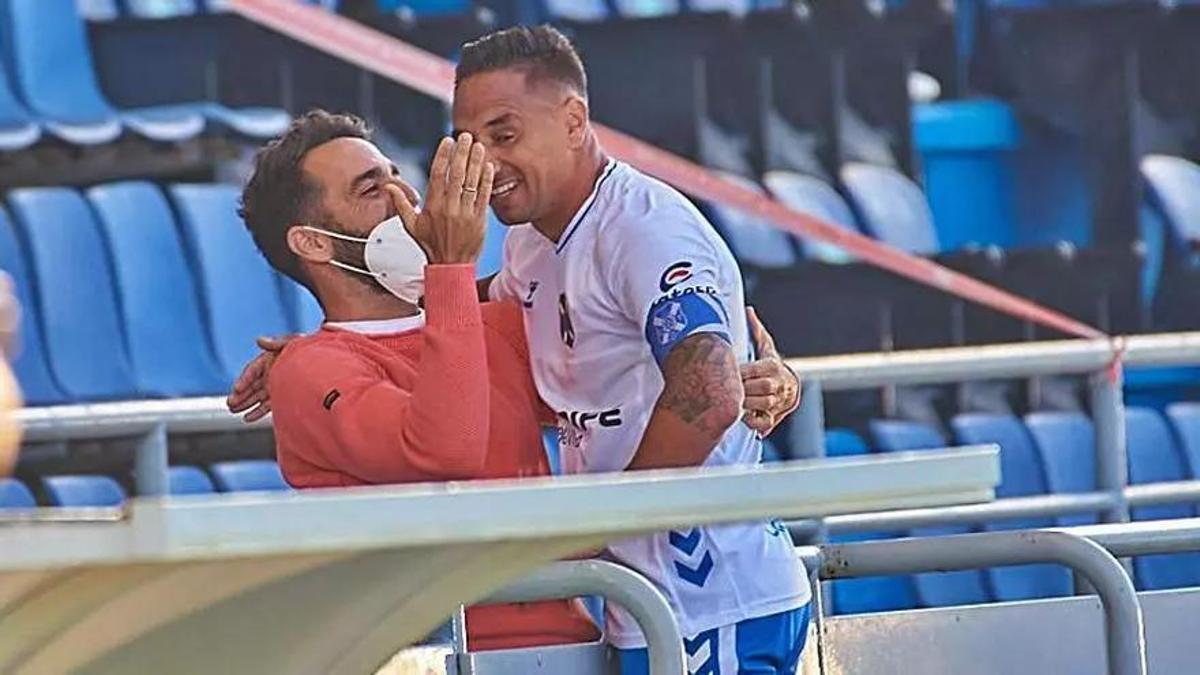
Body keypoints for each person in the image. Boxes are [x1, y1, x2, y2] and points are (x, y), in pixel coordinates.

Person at [232, 111, 800, 654]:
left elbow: (643, 376)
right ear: (312, 243)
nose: (405, 197)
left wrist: (766, 378)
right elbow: (447, 447)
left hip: (574, 646)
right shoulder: (307, 371)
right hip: (441, 656)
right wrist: (449, 269)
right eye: (370, 189)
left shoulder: (489, 324)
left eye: (396, 175)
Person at [452, 25, 810, 674]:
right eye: (469, 145)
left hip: (713, 603)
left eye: (504, 136)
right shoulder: (531, 241)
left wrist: (595, 527)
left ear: (573, 120)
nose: (486, 164)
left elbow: (710, 394)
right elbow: (468, 321)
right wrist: (334, 338)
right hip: (647, 605)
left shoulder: (643, 227)